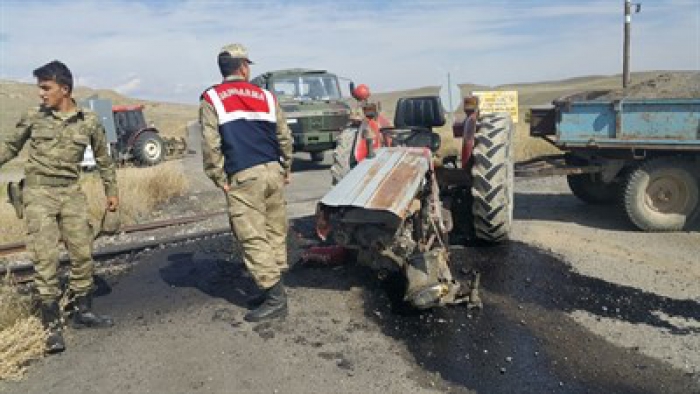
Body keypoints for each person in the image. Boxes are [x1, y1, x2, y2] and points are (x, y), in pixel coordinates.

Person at [0, 61, 119, 353]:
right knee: (45, 258)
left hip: (71, 192)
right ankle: (51, 327)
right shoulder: (33, 117)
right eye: (40, 88)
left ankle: (83, 312)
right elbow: (9, 147)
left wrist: (111, 192)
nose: (41, 94)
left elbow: (104, 159)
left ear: (64, 89)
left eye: (46, 88)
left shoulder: (88, 121)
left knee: (82, 252)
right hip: (38, 193)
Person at [199, 44, 293, 322]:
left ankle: (275, 297)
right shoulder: (265, 95)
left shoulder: (212, 98)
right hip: (272, 170)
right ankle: (272, 290)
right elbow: (284, 135)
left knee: (252, 236)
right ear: (243, 67)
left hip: (244, 176)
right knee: (274, 230)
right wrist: (286, 166)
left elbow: (210, 143)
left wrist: (218, 177)